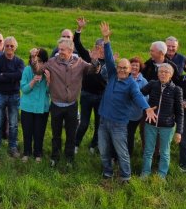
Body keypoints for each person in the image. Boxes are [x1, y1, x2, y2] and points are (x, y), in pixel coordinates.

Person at [97, 22, 153, 182]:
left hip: (119, 125)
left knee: (122, 152)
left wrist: (147, 108)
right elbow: (108, 58)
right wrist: (106, 39)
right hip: (103, 121)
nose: (121, 70)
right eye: (119, 67)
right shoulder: (113, 75)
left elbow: (138, 97)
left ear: (130, 70)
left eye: (124, 68)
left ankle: (126, 176)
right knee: (103, 149)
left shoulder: (131, 84)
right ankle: (107, 172)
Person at [43, 36, 101, 167]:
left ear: (70, 50)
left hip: (72, 106)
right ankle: (55, 157)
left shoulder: (79, 62)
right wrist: (35, 61)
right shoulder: (52, 62)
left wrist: (94, 60)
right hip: (56, 105)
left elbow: (94, 70)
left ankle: (69, 158)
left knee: (71, 135)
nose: (60, 51)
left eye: (63, 49)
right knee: (56, 134)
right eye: (59, 49)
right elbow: (38, 70)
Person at [140, 63, 184, 179]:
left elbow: (180, 112)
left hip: (167, 126)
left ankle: (162, 175)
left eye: (166, 72)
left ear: (171, 75)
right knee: (148, 150)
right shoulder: (152, 84)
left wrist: (179, 132)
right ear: (158, 73)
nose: (163, 74)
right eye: (161, 71)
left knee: (164, 152)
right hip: (150, 124)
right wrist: (146, 107)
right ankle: (145, 173)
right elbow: (138, 95)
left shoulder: (176, 90)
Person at [73, 17, 107, 155]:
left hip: (101, 97)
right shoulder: (88, 57)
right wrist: (79, 29)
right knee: (84, 123)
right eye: (99, 47)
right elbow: (77, 43)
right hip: (86, 95)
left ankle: (94, 145)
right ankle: (75, 144)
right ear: (95, 47)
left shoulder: (109, 62)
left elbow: (107, 80)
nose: (101, 50)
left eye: (104, 47)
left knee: (99, 124)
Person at [0, 36, 24, 157]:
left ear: (15, 48)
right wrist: (11, 76)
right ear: (4, 46)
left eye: (12, 46)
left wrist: (3, 74)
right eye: (7, 45)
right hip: (0, 95)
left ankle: (13, 147)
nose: (9, 48)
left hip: (14, 95)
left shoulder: (19, 61)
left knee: (13, 124)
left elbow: (20, 75)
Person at [19, 48, 50, 162]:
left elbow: (49, 92)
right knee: (27, 132)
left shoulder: (47, 72)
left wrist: (49, 81)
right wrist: (32, 81)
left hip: (42, 108)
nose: (37, 63)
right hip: (27, 107)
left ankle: (38, 153)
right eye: (35, 59)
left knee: (39, 132)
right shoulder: (27, 70)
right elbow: (24, 89)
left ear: (45, 62)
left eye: (40, 60)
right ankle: (26, 152)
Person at [126, 56, 148, 161]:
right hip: (123, 113)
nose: (134, 67)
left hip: (135, 114)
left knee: (130, 135)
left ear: (140, 68)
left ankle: (128, 155)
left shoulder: (143, 81)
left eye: (136, 65)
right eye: (132, 65)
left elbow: (146, 98)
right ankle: (116, 155)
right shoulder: (125, 78)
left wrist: (136, 97)